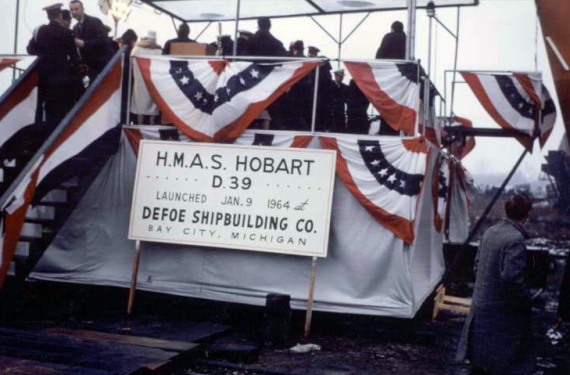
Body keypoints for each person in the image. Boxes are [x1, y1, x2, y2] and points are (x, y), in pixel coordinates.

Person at [456, 194, 536, 375]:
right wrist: (526, 299)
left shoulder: (490, 232)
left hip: (481, 310)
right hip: (501, 316)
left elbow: (477, 267)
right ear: (526, 215)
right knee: (504, 365)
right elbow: (511, 279)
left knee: (480, 365)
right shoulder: (515, 240)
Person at [26, 3, 83, 125]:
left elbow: (30, 49)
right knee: (59, 110)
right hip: (62, 77)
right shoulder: (66, 33)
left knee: (41, 106)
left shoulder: (39, 31)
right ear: (60, 15)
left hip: (43, 75)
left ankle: (40, 131)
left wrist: (43, 56)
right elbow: (74, 57)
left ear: (48, 16)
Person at [69, 0, 112, 83]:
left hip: (101, 65)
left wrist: (84, 43)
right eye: (71, 10)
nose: (74, 12)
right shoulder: (75, 27)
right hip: (89, 67)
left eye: (76, 9)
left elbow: (103, 41)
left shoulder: (94, 22)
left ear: (83, 9)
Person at [130, 30, 162, 125]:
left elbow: (131, 61)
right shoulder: (158, 50)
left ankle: (139, 125)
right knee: (152, 105)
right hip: (152, 80)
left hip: (139, 80)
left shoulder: (137, 49)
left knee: (140, 104)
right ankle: (151, 125)